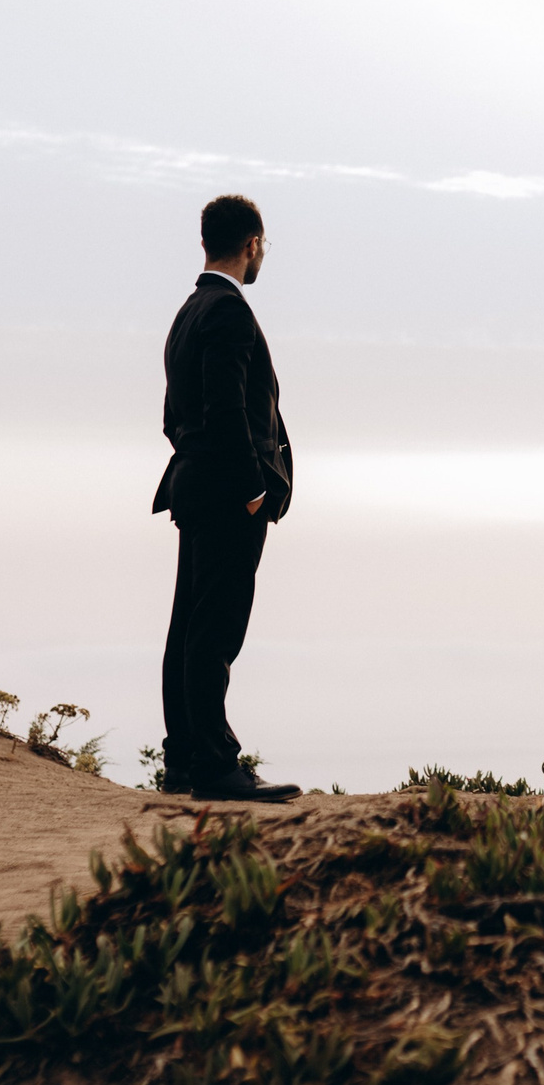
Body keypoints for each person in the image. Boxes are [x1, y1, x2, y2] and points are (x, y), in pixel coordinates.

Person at [151, 194, 303, 803]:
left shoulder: (188, 312)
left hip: (194, 486)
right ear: (252, 244)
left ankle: (184, 761)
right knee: (215, 630)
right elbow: (227, 410)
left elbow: (173, 416)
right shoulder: (228, 312)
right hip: (226, 496)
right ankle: (214, 766)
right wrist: (253, 489)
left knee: (188, 626)